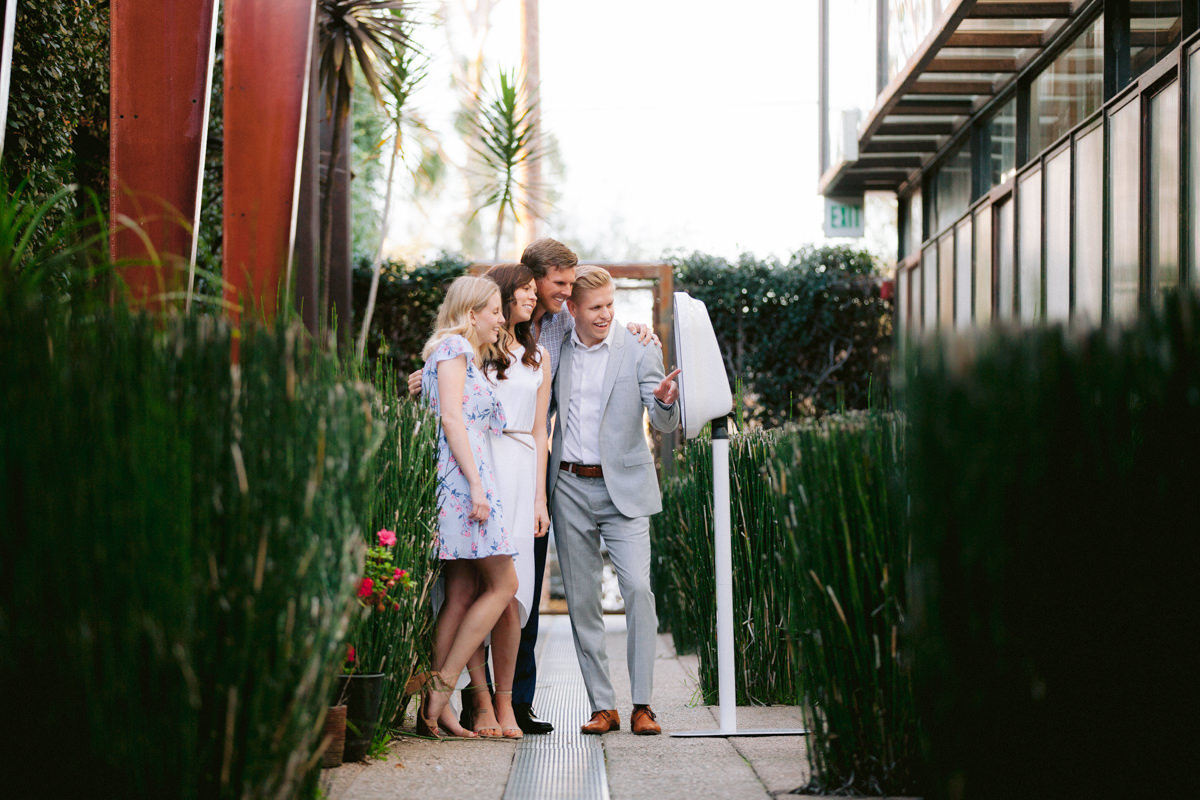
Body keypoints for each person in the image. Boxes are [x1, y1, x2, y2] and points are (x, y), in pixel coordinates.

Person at [548, 265, 680, 736]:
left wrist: (665, 401)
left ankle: (643, 704)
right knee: (583, 602)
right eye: (596, 308)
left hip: (624, 488)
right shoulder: (554, 347)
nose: (606, 315)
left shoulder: (640, 346)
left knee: (639, 591)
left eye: (610, 305)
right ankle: (603, 705)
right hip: (567, 487)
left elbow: (664, 423)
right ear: (572, 310)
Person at [441, 263, 552, 739]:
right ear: (499, 300)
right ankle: (478, 702)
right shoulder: (475, 350)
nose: (533, 298)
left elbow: (540, 428)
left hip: (521, 469)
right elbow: (446, 395)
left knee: (513, 596)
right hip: (480, 464)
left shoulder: (538, 356)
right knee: (471, 592)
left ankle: (505, 705)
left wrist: (539, 499)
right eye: (526, 291)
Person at [417, 275, 520, 739]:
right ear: (472, 312)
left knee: (460, 593)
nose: (501, 320)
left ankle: (436, 709)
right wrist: (477, 486)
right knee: (504, 584)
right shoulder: (454, 351)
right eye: (496, 311)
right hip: (464, 483)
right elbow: (452, 420)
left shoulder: (453, 354)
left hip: (467, 478)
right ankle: (440, 689)